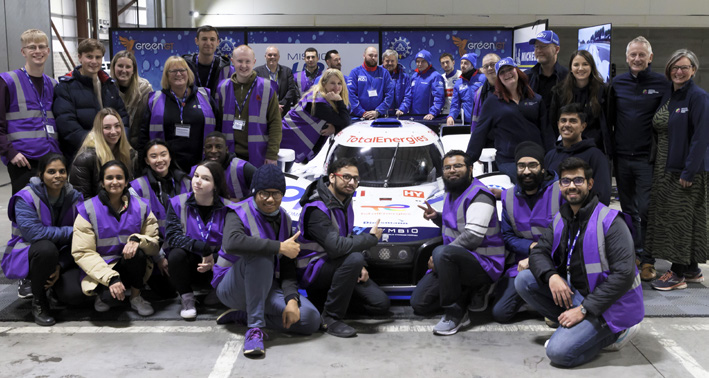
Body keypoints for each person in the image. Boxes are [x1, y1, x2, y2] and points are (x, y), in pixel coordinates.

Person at [515, 157, 642, 368]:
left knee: (559, 353)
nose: (571, 185)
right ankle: (574, 327)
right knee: (524, 280)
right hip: (579, 293)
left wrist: (583, 310)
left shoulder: (610, 221)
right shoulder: (562, 218)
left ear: (590, 184)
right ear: (560, 185)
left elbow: (623, 276)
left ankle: (617, 331)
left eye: (578, 180)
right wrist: (552, 276)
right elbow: (539, 252)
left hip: (610, 305)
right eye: (566, 181)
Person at [215, 164, 321, 357]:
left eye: (277, 194)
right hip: (232, 288)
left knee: (310, 319)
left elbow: (288, 267)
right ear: (255, 192)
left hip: (265, 286)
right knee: (261, 254)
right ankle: (254, 330)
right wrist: (279, 247)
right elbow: (231, 242)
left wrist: (291, 300)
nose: (270, 199)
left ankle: (243, 315)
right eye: (264, 193)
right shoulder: (237, 212)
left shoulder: (285, 219)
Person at [410, 150, 505, 335]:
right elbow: (456, 225)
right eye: (448, 167)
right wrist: (436, 217)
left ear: (470, 169)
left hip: (485, 265)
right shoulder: (452, 192)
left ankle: (456, 312)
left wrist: (439, 259)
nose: (452, 170)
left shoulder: (480, 195)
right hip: (459, 260)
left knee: (441, 253)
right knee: (419, 303)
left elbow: (472, 237)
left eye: (458, 166)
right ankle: (469, 291)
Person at [297, 157, 390, 337]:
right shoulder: (316, 208)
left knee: (380, 304)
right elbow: (336, 247)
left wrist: (360, 266)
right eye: (346, 177)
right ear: (332, 177)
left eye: (355, 179)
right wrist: (370, 239)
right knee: (355, 258)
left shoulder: (345, 201)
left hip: (338, 266)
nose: (352, 182)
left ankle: (323, 302)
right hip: (313, 270)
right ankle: (330, 318)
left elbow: (345, 237)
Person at [608, 36, 669, 281]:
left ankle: (648, 260)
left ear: (650, 58)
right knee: (628, 209)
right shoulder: (617, 83)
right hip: (622, 158)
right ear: (626, 57)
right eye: (633, 54)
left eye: (642, 54)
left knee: (646, 209)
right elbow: (610, 119)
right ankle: (634, 253)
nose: (637, 58)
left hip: (647, 159)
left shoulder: (662, 84)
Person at [647, 49, 709, 291]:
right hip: (666, 167)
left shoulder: (698, 97)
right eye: (675, 67)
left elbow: (702, 137)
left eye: (684, 67)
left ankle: (677, 273)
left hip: (685, 170)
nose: (679, 71)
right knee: (676, 218)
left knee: (681, 221)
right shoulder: (670, 95)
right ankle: (692, 269)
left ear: (693, 70)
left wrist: (689, 171)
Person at [71, 160, 160, 316]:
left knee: (137, 252)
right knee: (100, 300)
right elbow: (83, 252)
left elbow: (153, 245)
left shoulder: (142, 207)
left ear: (126, 182)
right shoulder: (88, 209)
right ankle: (102, 293)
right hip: (101, 269)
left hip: (130, 266)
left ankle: (135, 297)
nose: (114, 182)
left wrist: (138, 240)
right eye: (109, 178)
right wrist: (110, 278)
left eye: (119, 177)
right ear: (102, 183)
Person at [2, 153, 82, 326]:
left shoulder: (75, 196)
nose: (58, 176)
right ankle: (39, 302)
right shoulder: (25, 197)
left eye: (62, 171)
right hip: (30, 254)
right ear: (41, 174)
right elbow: (35, 234)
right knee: (46, 248)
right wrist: (71, 231)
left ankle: (54, 288)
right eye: (51, 171)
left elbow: (82, 237)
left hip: (62, 255)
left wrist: (61, 265)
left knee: (74, 296)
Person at [494, 142, 561, 323]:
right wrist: (530, 247)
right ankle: (536, 299)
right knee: (500, 313)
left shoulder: (560, 191)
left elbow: (567, 235)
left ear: (542, 168)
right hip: (521, 266)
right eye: (521, 166)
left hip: (556, 263)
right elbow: (507, 236)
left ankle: (551, 305)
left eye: (532, 165)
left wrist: (537, 256)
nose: (526, 171)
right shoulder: (508, 196)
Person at [164, 160, 232, 319]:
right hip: (191, 263)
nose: (198, 181)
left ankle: (218, 291)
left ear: (215, 185)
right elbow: (173, 237)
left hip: (217, 263)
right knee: (175, 255)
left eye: (206, 179)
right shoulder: (177, 203)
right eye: (196, 176)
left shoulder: (228, 208)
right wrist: (202, 248)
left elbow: (232, 242)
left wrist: (214, 259)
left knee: (235, 256)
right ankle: (187, 298)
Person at [466, 57, 551, 183]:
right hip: (509, 160)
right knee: (527, 182)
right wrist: (466, 162)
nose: (507, 74)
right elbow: (480, 132)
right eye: (502, 72)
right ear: (499, 78)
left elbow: (546, 132)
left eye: (510, 69)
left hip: (536, 158)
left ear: (517, 71)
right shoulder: (492, 102)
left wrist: (552, 157)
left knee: (548, 183)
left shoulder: (536, 99)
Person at [0, 29, 61, 194]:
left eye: (42, 47)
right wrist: (10, 153)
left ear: (48, 51)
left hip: (51, 159)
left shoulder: (53, 85)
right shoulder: (7, 81)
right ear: (23, 52)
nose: (38, 51)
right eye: (32, 47)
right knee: (26, 211)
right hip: (23, 160)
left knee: (52, 211)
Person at [139, 56, 219, 172]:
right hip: (165, 168)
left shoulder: (205, 96)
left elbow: (218, 127)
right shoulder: (155, 100)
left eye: (182, 70)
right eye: (173, 71)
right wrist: (144, 167)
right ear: (166, 75)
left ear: (189, 73)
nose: (178, 74)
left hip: (202, 165)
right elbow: (144, 135)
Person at [53, 38, 129, 161]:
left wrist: (120, 142)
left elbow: (123, 117)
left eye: (98, 57)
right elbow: (67, 125)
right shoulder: (65, 87)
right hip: (82, 156)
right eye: (89, 56)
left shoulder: (109, 85)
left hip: (113, 153)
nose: (94, 61)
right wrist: (97, 146)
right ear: (80, 57)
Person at [216, 45, 281, 168]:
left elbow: (275, 123)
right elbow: (218, 123)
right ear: (232, 61)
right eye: (240, 61)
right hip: (229, 155)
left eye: (247, 61)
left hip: (259, 155)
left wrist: (272, 154)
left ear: (254, 62)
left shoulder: (266, 88)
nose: (244, 66)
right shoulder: (222, 88)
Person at [544, 103, 611, 205]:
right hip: (552, 218)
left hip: (583, 218)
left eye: (573, 121)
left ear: (583, 126)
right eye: (563, 120)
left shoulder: (596, 156)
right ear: (558, 124)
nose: (567, 124)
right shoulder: (550, 155)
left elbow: (602, 196)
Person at [282, 69, 351, 164]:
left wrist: (335, 127)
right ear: (323, 84)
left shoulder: (326, 98)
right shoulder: (318, 102)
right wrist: (339, 101)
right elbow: (345, 123)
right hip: (286, 141)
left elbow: (344, 120)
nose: (337, 87)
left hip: (293, 143)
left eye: (339, 83)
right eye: (332, 83)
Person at [548, 50, 610, 154]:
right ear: (571, 68)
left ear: (592, 67)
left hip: (595, 149)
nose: (580, 68)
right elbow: (553, 122)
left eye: (585, 64)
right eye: (576, 65)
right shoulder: (559, 92)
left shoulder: (603, 91)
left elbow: (607, 121)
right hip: (567, 149)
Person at [131, 139, 191, 238]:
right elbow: (135, 222)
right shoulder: (137, 187)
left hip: (184, 244)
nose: (159, 160)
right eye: (153, 156)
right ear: (147, 161)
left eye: (163, 155)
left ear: (170, 157)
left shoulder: (187, 183)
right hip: (153, 245)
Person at [70, 108, 134, 199]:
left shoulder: (130, 154)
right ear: (98, 130)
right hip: (97, 211)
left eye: (117, 126)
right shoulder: (85, 159)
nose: (113, 131)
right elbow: (82, 199)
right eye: (107, 127)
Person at [110, 50, 153, 148]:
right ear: (113, 67)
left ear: (133, 70)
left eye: (128, 67)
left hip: (138, 145)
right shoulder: (106, 88)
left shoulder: (145, 90)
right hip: (112, 143)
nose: (124, 70)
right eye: (120, 66)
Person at [199, 131, 256, 201]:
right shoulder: (197, 171)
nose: (213, 151)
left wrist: (241, 201)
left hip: (239, 210)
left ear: (226, 150)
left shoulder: (242, 167)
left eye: (218, 147)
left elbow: (264, 189)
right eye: (209, 147)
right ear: (204, 151)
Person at [182, 25, 234, 97]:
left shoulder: (226, 69)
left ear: (217, 42)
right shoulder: (185, 66)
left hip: (217, 108)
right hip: (192, 108)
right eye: (204, 39)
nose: (208, 43)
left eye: (212, 39)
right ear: (196, 41)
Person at [525, 30, 568, 114]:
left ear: (557, 49)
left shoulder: (567, 76)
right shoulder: (526, 77)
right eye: (536, 46)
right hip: (534, 126)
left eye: (543, 46)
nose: (538, 50)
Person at [396, 50, 445, 120]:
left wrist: (432, 113)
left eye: (423, 61)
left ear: (428, 62)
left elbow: (439, 98)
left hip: (428, 118)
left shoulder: (435, 76)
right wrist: (402, 109)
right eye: (417, 61)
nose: (419, 64)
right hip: (414, 117)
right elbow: (409, 96)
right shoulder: (414, 76)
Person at [347, 46, 393, 120]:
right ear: (364, 55)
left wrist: (378, 111)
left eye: (375, 56)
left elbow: (389, 94)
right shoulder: (355, 72)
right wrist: (362, 113)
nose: (373, 58)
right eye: (370, 55)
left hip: (379, 117)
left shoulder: (384, 73)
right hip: (359, 117)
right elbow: (351, 94)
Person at [254, 46, 299, 114]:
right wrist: (271, 106)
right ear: (265, 56)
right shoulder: (257, 72)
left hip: (283, 111)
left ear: (279, 57)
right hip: (263, 111)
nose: (272, 57)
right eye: (270, 55)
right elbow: (256, 92)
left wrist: (280, 105)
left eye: (275, 55)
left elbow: (291, 90)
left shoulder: (287, 71)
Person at [446, 53, 484, 125]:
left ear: (472, 65)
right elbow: (455, 104)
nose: (462, 65)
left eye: (466, 63)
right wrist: (451, 116)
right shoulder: (458, 83)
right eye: (461, 63)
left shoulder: (483, 79)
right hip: (467, 123)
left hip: (483, 122)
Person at [470, 53, 500, 133]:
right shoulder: (479, 93)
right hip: (485, 139)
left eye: (493, 65)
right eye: (486, 66)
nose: (490, 68)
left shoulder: (510, 89)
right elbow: (475, 120)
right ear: (483, 70)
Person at [382, 49, 410, 116]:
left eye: (392, 61)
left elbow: (408, 96)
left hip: (399, 114)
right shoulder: (376, 75)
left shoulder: (404, 77)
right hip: (380, 114)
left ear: (397, 61)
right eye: (387, 61)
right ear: (383, 61)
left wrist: (402, 109)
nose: (390, 63)